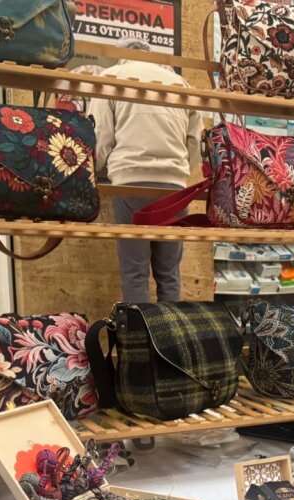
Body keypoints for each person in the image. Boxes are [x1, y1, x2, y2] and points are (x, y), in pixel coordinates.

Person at [88, 39, 203, 304]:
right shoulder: (179, 84)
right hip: (174, 187)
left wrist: (97, 169)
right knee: (169, 274)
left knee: (135, 274)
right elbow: (195, 141)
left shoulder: (112, 77)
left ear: (122, 56)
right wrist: (181, 171)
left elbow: (100, 137)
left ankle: (138, 331)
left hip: (131, 183)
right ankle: (169, 330)